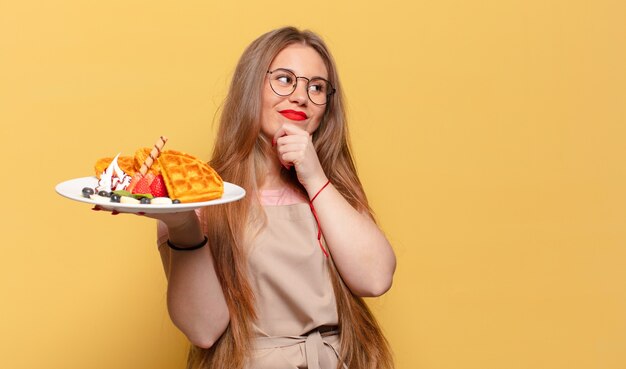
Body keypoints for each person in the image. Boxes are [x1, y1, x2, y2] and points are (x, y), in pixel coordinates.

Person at [153, 26, 396, 369]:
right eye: (284, 79)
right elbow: (203, 330)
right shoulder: (200, 195)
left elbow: (375, 279)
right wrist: (181, 225)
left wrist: (314, 177)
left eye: (317, 87)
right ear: (251, 87)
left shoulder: (333, 188)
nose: (300, 96)